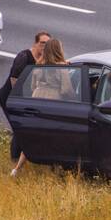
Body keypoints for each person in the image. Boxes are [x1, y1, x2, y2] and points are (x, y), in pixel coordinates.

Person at [11, 37, 71, 175]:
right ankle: (56, 168)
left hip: (36, 99)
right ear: (58, 50)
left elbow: (32, 86)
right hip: (53, 101)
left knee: (35, 136)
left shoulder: (38, 65)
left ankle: (17, 169)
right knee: (54, 136)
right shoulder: (62, 67)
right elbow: (66, 90)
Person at [0, 31, 49, 173]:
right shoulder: (24, 56)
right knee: (19, 128)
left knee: (26, 128)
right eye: (42, 43)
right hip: (10, 97)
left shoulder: (44, 58)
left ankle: (26, 156)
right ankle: (14, 159)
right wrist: (19, 100)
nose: (44, 46)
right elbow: (14, 79)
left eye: (47, 44)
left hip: (28, 98)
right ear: (35, 43)